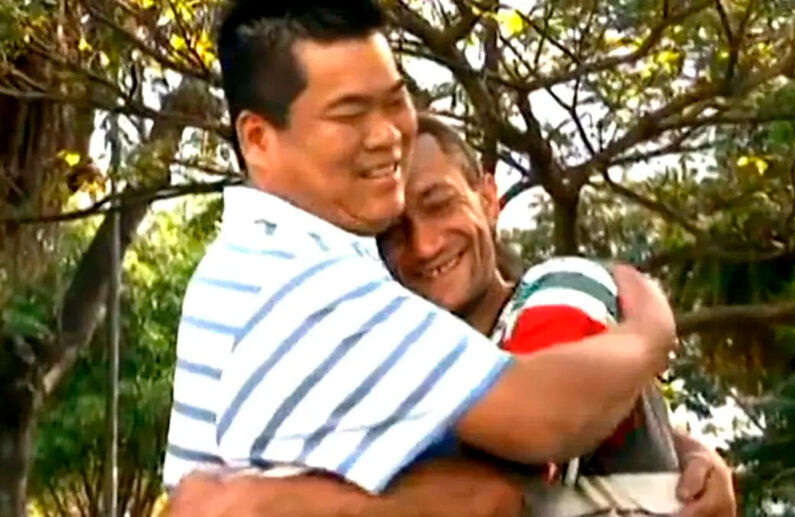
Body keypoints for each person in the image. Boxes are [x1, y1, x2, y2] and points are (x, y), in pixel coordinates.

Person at [164, 0, 677, 505]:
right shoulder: (306, 286)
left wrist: (680, 456)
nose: (386, 136)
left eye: (394, 101)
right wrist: (651, 330)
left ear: (489, 197)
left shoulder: (259, 260)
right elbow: (541, 423)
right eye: (349, 115)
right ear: (258, 140)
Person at [164, 116, 737, 517]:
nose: (424, 245)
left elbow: (503, 484)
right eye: (393, 232)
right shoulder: (414, 361)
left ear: (488, 198)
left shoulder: (559, 290)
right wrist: (693, 450)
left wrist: (265, 503)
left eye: (440, 204)